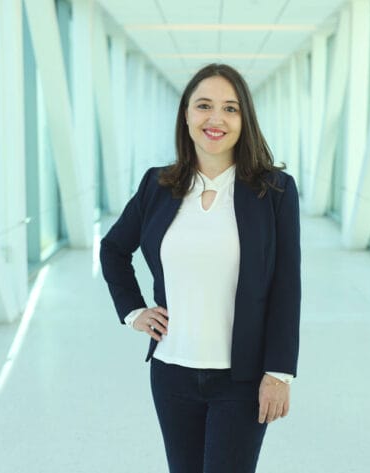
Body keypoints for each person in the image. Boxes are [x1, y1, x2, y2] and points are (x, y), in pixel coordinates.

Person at [100, 63, 301, 473]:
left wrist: (280, 372)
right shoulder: (158, 185)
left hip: (242, 379)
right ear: (186, 114)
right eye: (204, 105)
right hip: (171, 372)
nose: (216, 119)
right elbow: (113, 248)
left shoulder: (274, 191)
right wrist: (134, 311)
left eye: (230, 109)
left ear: (244, 119)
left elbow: (286, 285)